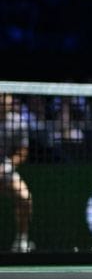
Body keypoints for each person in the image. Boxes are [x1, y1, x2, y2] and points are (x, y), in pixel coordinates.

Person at [1, 93, 34, 252]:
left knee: (24, 197)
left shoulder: (17, 122)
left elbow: (22, 152)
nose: (3, 104)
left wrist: (7, 166)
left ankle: (22, 239)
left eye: (5, 101)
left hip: (5, 169)